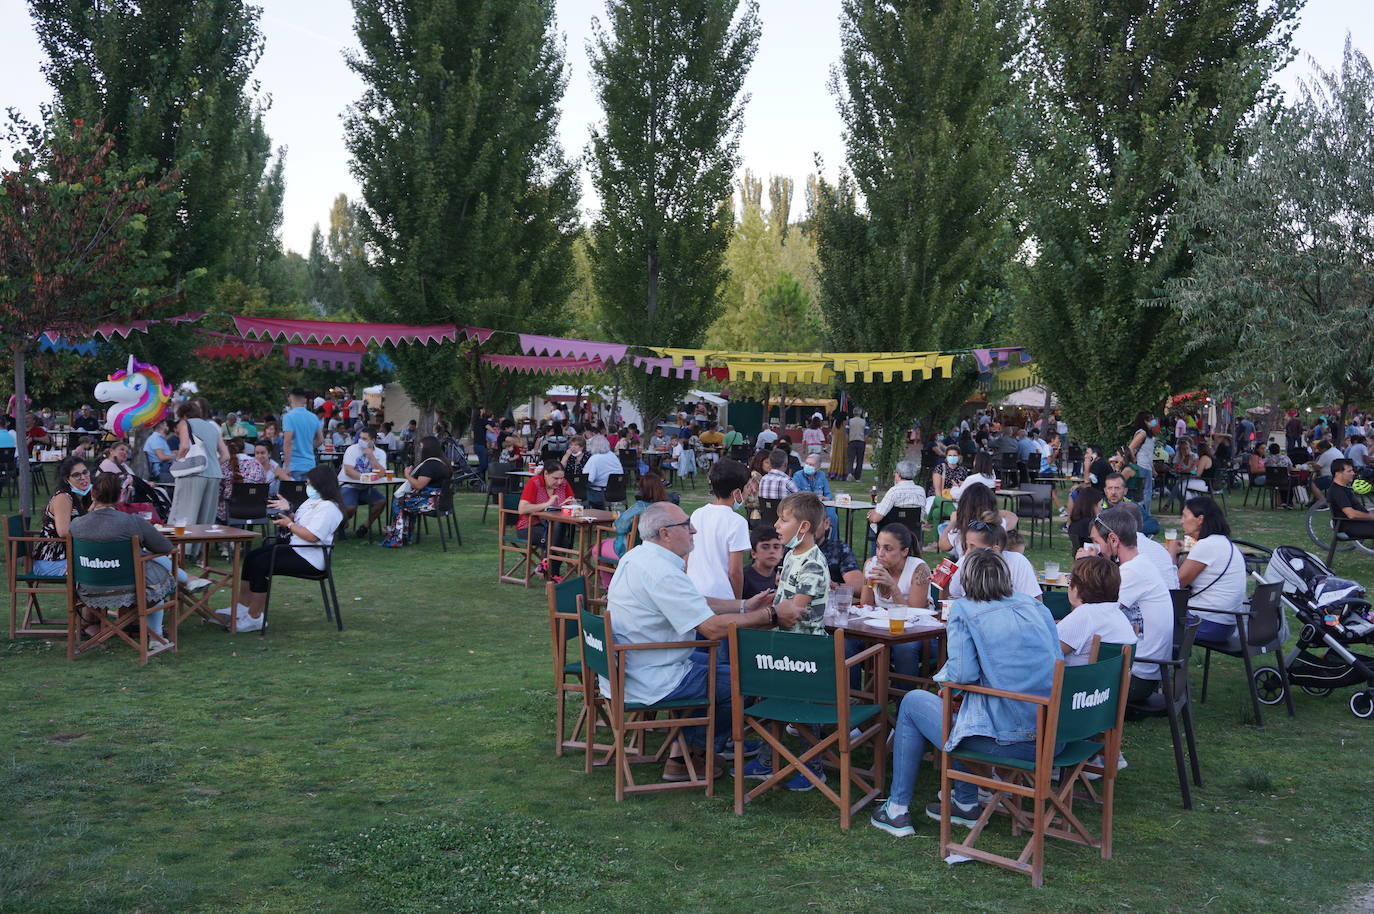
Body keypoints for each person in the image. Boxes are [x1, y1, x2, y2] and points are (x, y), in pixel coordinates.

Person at [870, 548, 1060, 836]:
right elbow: (1057, 661)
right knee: (959, 710)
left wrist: (942, 681)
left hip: (1007, 740)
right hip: (1053, 735)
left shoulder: (965, 609)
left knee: (914, 703)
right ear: (1005, 577)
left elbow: (961, 675)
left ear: (966, 582)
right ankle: (966, 802)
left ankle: (896, 809)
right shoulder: (1037, 607)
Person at [606, 501, 797, 779]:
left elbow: (694, 602)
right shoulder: (661, 572)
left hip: (637, 662)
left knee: (719, 668)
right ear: (665, 533)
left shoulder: (640, 558)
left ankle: (688, 750)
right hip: (650, 675)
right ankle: (689, 756)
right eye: (686, 525)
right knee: (740, 681)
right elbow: (712, 629)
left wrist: (744, 606)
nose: (694, 530)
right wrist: (771, 614)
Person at [741, 492, 832, 789]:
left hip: (806, 650)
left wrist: (768, 615)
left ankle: (812, 768)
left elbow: (794, 612)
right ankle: (768, 760)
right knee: (772, 699)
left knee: (805, 713)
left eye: (784, 519)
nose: (777, 524)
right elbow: (785, 602)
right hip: (783, 646)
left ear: (803, 527)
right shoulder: (792, 556)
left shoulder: (814, 564)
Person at [68, 473, 210, 654]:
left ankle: (183, 583)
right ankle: (156, 637)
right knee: (156, 582)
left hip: (88, 588)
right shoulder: (132, 522)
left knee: (146, 565)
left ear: (93, 493)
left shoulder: (76, 524)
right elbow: (164, 547)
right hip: (130, 587)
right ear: (120, 494)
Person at [216, 466, 343, 632]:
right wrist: (287, 513)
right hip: (297, 549)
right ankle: (242, 607)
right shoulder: (313, 502)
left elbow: (312, 536)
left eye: (310, 483)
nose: (307, 486)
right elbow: (300, 522)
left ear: (321, 485)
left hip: (311, 558)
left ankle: (255, 618)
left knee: (261, 564)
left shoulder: (329, 508)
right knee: (251, 557)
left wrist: (289, 524)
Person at [1078, 506, 1174, 704]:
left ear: (1113, 540)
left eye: (1096, 542)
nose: (1095, 549)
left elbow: (1089, 614)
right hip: (1145, 671)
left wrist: (1082, 568)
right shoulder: (1140, 564)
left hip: (1136, 678)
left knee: (1063, 673)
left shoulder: (1132, 572)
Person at [1165, 496, 1247, 643]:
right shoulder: (1224, 542)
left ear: (1200, 519)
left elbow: (1175, 586)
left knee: (1151, 615)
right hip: (1226, 624)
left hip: (1208, 624)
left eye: (1184, 516)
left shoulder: (1207, 546)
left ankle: (1163, 664)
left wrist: (1171, 553)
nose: (1181, 521)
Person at [167, 400, 230, 558]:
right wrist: (212, 464)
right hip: (214, 475)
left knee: (184, 513)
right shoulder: (212, 427)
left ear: (184, 414)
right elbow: (226, 455)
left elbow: (184, 447)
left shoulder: (184, 423)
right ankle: (198, 552)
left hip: (193, 474)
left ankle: (181, 552)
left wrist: (178, 463)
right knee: (205, 517)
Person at [686, 459, 753, 601]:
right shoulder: (737, 522)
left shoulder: (697, 513)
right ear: (736, 493)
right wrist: (738, 604)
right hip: (721, 595)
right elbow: (735, 572)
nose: (750, 490)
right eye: (747, 487)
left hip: (693, 592)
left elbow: (686, 556)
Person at [1056, 555, 1137, 666]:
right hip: (1107, 683)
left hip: (1070, 682)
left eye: (1070, 581)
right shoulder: (1118, 615)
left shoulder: (1085, 614)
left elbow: (1045, 652)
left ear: (1077, 588)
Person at [596, 473, 670, 586]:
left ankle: (609, 587)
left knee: (597, 548)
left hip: (631, 550)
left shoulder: (639, 507)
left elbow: (620, 527)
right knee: (604, 544)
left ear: (642, 490)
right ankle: (619, 581)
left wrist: (618, 521)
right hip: (658, 552)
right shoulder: (667, 508)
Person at [380, 436, 452, 548]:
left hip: (431, 503)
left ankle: (397, 536)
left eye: (421, 447)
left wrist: (407, 475)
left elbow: (419, 485)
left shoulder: (430, 464)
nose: (419, 450)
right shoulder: (444, 462)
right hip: (443, 502)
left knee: (399, 501)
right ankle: (404, 533)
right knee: (406, 500)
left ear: (428, 449)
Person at [944, 518, 1041, 602]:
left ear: (995, 550)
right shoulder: (963, 562)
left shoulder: (1017, 562)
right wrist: (944, 583)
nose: (966, 553)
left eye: (973, 547)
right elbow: (949, 603)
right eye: (967, 546)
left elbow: (1036, 603)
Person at [29, 456, 93, 578]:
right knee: (97, 566)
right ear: (66, 479)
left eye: (85, 472)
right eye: (77, 475)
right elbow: (64, 532)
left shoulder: (83, 498)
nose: (83, 477)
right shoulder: (63, 497)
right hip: (52, 561)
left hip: (73, 556)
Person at [338, 426, 389, 537]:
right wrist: (365, 478)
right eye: (360, 438)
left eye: (365, 439)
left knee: (381, 502)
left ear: (373, 441)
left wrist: (371, 457)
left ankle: (365, 527)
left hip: (366, 488)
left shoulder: (380, 453)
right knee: (350, 508)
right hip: (348, 485)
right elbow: (348, 471)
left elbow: (381, 473)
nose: (361, 441)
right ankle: (341, 525)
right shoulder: (352, 449)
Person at [218, 436, 269, 524]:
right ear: (244, 449)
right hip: (256, 509)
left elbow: (218, 490)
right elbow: (263, 485)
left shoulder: (223, 465)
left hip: (230, 511)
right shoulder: (257, 464)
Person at [867, 459, 926, 533]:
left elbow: (876, 518)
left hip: (893, 532)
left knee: (873, 524)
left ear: (898, 474)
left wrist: (870, 515)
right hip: (913, 530)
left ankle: (878, 544)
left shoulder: (894, 491)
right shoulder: (921, 491)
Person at [792, 453, 839, 539]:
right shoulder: (798, 476)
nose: (808, 466)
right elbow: (796, 495)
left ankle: (833, 542)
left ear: (818, 467)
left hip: (822, 505)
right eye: (807, 463)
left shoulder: (822, 475)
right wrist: (814, 498)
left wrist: (826, 498)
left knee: (832, 516)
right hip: (806, 506)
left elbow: (828, 493)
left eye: (811, 464)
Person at [1325, 458, 1374, 541]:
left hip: (1359, 523)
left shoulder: (1344, 488)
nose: (1353, 473)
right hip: (1350, 526)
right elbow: (1351, 514)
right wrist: (1371, 516)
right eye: (1349, 471)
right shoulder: (1337, 491)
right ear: (1338, 474)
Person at [282, 389, 323, 482]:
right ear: (305, 400)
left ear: (290, 399)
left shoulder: (288, 417)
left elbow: (287, 441)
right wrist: (308, 446)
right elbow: (320, 440)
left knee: (292, 495)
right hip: (310, 464)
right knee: (307, 495)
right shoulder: (313, 417)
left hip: (294, 465)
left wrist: (287, 466)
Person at [1127, 411, 1158, 520]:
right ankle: (1144, 516)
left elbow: (1149, 454)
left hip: (1147, 466)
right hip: (1142, 465)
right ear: (1145, 421)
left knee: (1146, 492)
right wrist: (1135, 460)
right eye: (1151, 419)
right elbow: (1130, 448)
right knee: (1145, 493)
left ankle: (1144, 515)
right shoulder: (1142, 433)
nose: (1154, 421)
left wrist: (1153, 469)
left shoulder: (1148, 434)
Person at [743, 523, 784, 598]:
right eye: (765, 547)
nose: (772, 551)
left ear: (782, 553)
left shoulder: (779, 579)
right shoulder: (743, 578)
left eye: (776, 547)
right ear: (753, 553)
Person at [1066, 486, 1104, 553]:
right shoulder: (1092, 524)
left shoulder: (1074, 523)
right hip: (1093, 559)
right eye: (1101, 505)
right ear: (1093, 505)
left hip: (1079, 560)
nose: (1101, 509)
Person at [846, 410, 868, 481]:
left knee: (850, 459)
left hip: (852, 441)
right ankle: (857, 477)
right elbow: (866, 434)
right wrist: (865, 441)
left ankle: (849, 473)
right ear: (860, 413)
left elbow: (846, 432)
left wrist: (848, 441)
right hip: (861, 441)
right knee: (859, 460)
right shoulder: (864, 422)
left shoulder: (850, 421)